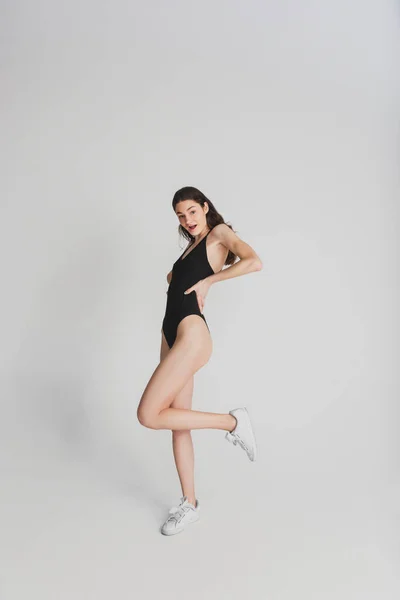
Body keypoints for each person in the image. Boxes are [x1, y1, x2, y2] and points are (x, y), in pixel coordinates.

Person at [137, 186, 263, 535]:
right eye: (180, 215)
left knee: (148, 414)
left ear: (205, 207)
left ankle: (231, 423)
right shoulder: (190, 247)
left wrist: (209, 281)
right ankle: (189, 503)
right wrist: (179, 277)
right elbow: (174, 280)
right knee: (177, 423)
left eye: (192, 211)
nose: (187, 220)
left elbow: (254, 261)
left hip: (192, 332)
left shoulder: (219, 233)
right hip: (171, 331)